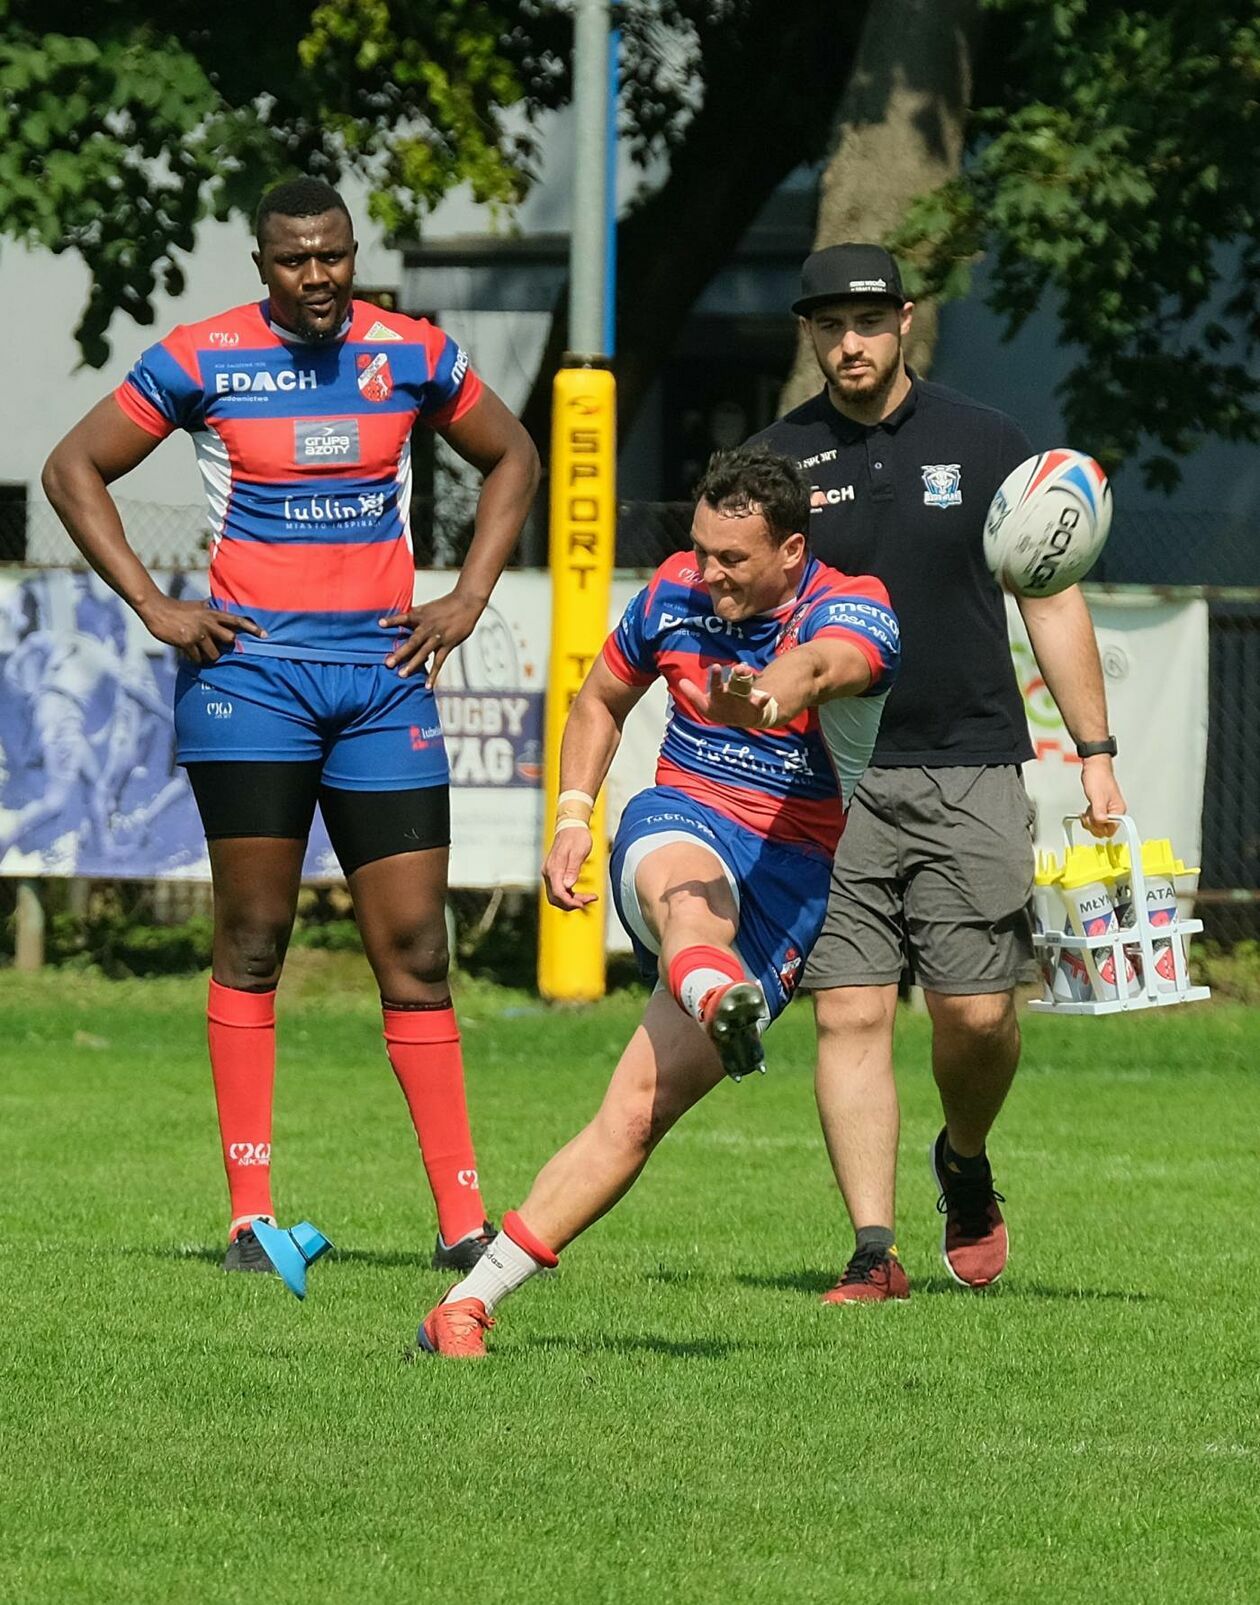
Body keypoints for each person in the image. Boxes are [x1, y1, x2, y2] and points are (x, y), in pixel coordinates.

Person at [42, 177, 540, 1276]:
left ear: (353, 254)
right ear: (261, 266)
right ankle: (249, 1217)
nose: (318, 276)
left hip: (382, 684)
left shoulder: (410, 351)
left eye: (334, 256)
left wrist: (467, 598)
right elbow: (73, 469)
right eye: (294, 260)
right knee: (254, 938)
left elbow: (515, 457)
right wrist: (153, 603)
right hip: (250, 684)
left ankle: (463, 1223)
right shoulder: (201, 357)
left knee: (415, 948)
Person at [415, 445, 900, 1357]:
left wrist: (766, 695)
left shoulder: (853, 599)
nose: (705, 572)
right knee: (690, 898)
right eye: (700, 548)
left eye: (732, 559)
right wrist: (569, 817)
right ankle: (718, 995)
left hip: (793, 880)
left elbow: (831, 665)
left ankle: (464, 1308)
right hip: (678, 822)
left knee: (637, 1112)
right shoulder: (672, 593)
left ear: (792, 550)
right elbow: (600, 698)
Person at [748, 243, 1126, 1301]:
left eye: (866, 323)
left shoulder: (986, 440)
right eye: (827, 325)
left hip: (968, 762)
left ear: (906, 320)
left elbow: (1049, 598)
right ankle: (874, 1250)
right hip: (828, 783)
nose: (848, 342)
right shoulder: (779, 460)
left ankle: (964, 1161)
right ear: (810, 332)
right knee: (851, 1013)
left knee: (978, 1016)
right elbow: (737, 608)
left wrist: (1096, 756)